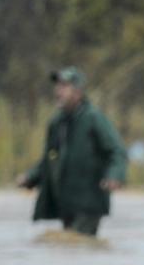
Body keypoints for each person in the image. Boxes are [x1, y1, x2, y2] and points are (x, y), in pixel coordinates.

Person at [16, 67, 128, 237]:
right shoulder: (56, 123)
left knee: (80, 242)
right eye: (57, 86)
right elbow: (49, 160)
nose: (58, 91)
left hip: (89, 201)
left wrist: (115, 175)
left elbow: (116, 150)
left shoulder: (93, 118)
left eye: (64, 86)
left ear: (78, 92)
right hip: (65, 203)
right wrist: (30, 177)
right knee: (69, 245)